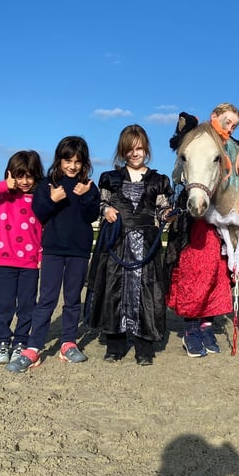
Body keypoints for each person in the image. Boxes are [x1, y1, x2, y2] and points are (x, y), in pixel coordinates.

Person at [165, 103, 239, 357]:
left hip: (219, 223)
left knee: (217, 276)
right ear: (214, 117)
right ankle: (191, 330)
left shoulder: (232, 145)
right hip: (194, 218)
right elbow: (179, 159)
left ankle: (207, 327)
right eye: (227, 122)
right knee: (193, 272)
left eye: (234, 125)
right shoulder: (199, 138)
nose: (230, 128)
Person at [7, 136, 100, 373]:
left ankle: (68, 343)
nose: (72, 166)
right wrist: (52, 200)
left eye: (78, 161)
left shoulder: (89, 185)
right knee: (46, 299)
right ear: (59, 160)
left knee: (72, 300)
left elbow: (91, 215)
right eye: (67, 160)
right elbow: (40, 213)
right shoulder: (47, 185)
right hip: (53, 251)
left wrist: (86, 196)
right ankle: (34, 347)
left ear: (84, 163)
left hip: (79, 252)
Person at [85, 125, 174, 366]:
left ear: (146, 149)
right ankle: (115, 345)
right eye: (130, 149)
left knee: (147, 291)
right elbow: (100, 205)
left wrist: (167, 215)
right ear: (123, 151)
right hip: (117, 243)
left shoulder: (159, 180)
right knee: (115, 289)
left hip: (146, 245)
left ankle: (144, 347)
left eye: (139, 148)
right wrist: (107, 210)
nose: (135, 153)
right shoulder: (110, 179)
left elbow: (162, 208)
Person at [0, 150, 45, 366]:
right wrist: (3, 186)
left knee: (26, 305)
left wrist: (41, 255)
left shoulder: (38, 201)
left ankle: (21, 342)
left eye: (29, 176)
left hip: (31, 263)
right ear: (10, 174)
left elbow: (44, 230)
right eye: (19, 176)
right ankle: (1, 342)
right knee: (4, 304)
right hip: (5, 262)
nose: (24, 181)